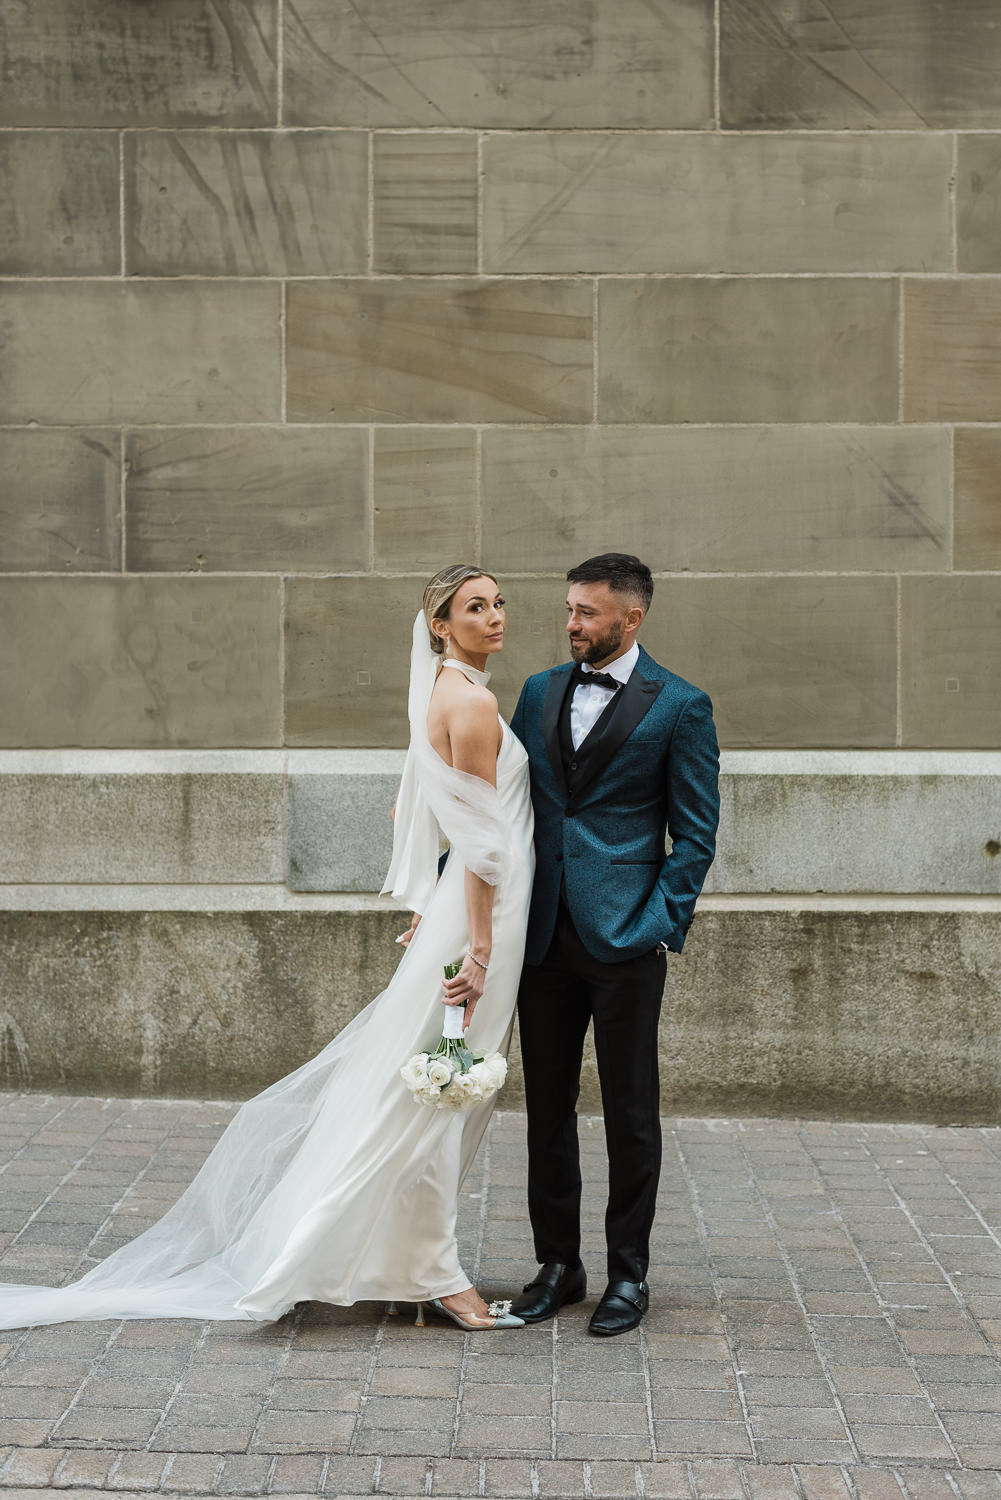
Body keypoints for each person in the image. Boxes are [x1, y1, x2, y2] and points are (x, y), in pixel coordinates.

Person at [0, 566, 534, 1333]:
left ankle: (395, 1258)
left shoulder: (438, 696)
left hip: (468, 911)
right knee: (431, 1097)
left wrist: (437, 911)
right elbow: (482, 845)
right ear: (440, 627)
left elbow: (423, 807)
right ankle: (431, 1274)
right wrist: (475, 947)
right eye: (473, 608)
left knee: (422, 1088)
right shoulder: (473, 702)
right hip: (488, 918)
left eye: (498, 603)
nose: (494, 617)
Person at [509, 553, 720, 1337]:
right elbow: (505, 803)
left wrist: (657, 921)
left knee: (631, 1112)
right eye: (568, 609)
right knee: (546, 1111)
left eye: (586, 613)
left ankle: (627, 1274)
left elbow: (694, 835)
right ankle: (557, 1266)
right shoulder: (536, 691)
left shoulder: (681, 706)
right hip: (543, 934)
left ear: (629, 620)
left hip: (625, 939)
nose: (570, 624)